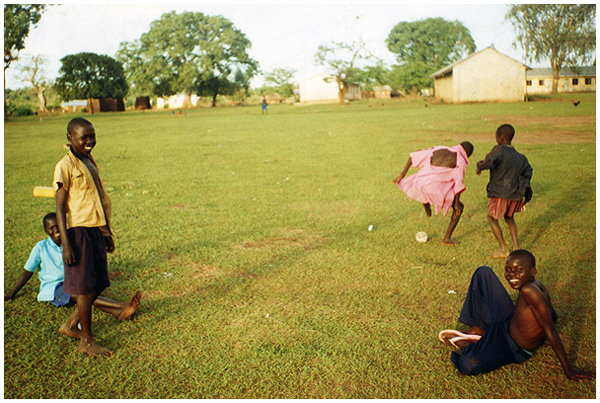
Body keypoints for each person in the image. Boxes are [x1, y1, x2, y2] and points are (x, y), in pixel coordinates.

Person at [439, 250, 595, 380]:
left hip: (512, 347)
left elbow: (551, 329)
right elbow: (554, 316)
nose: (511, 275)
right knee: (483, 272)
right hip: (508, 322)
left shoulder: (530, 291)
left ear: (532, 271)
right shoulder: (536, 284)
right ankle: (480, 330)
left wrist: (568, 369)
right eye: (508, 269)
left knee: (468, 364)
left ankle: (469, 343)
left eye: (519, 270)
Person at [54, 117, 117, 357]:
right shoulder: (65, 165)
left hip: (95, 229)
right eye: (84, 137)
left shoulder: (89, 160)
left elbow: (98, 201)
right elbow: (60, 207)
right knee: (84, 287)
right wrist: (67, 244)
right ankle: (86, 341)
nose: (90, 141)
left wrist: (106, 234)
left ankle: (70, 325)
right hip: (78, 231)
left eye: (92, 136)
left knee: (100, 282)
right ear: (70, 138)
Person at [4, 213, 140, 323]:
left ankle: (117, 312)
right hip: (54, 288)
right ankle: (120, 306)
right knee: (83, 295)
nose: (56, 229)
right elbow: (28, 272)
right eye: (51, 227)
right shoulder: (41, 248)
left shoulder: (71, 243)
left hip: (72, 282)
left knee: (87, 292)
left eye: (58, 226)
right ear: (46, 230)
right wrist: (11, 294)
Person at [393, 142, 474, 245]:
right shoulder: (460, 161)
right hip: (433, 189)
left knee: (428, 189)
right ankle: (446, 239)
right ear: (467, 155)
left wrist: (402, 174)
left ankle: (427, 206)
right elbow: (459, 184)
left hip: (419, 182)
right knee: (460, 208)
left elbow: (413, 156)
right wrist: (457, 204)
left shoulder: (438, 148)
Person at [476, 124, 532, 259]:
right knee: (509, 217)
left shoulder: (498, 150)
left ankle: (504, 249)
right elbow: (528, 171)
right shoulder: (521, 157)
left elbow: (490, 160)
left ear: (500, 138)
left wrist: (480, 166)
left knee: (491, 217)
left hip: (501, 193)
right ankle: (516, 248)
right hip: (515, 194)